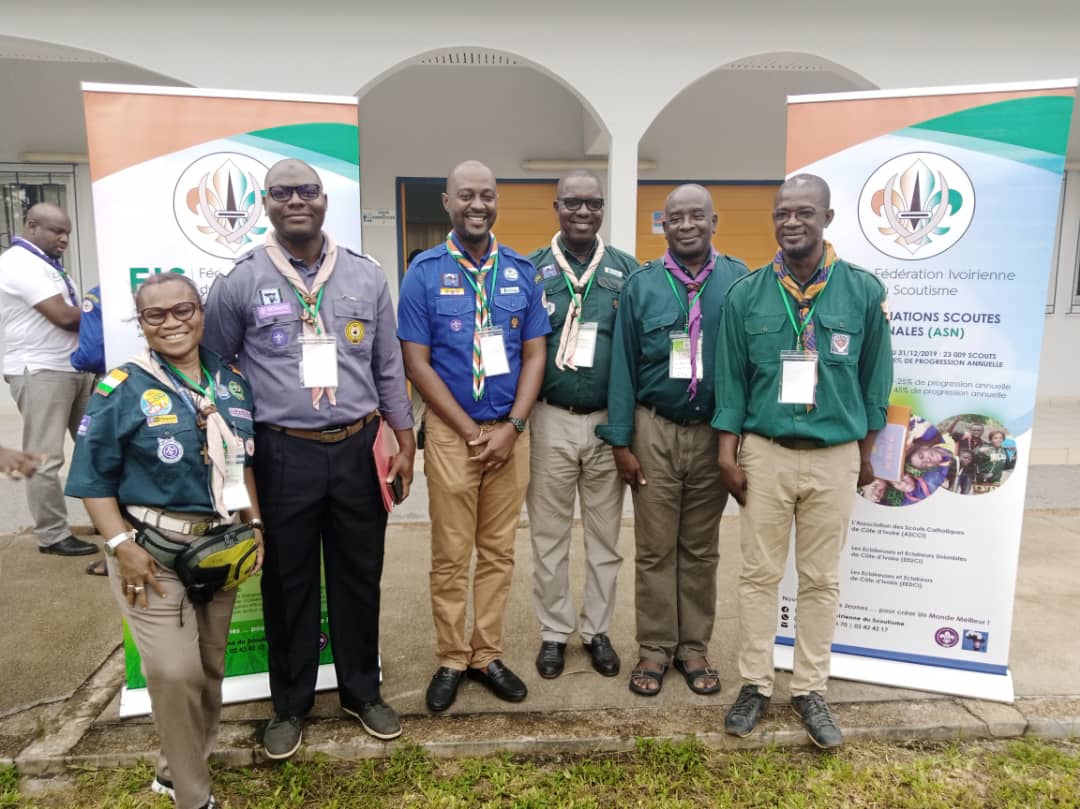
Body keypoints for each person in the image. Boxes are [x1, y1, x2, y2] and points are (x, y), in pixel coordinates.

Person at [203, 159, 415, 758]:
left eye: (307, 191)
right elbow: (217, 371)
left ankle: (361, 692)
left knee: (358, 575)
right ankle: (290, 704)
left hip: (357, 447)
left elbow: (388, 366)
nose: (296, 201)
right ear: (265, 204)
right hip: (282, 452)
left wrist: (406, 440)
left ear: (324, 201)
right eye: (282, 193)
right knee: (287, 580)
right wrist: (233, 457)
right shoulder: (239, 281)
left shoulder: (366, 275)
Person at [66, 272, 264, 809]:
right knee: (174, 672)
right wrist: (120, 546)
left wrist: (255, 526)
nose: (172, 322)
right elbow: (92, 479)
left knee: (209, 670)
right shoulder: (121, 388)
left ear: (200, 312)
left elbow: (241, 464)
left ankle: (173, 769)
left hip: (220, 546)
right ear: (141, 322)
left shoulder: (230, 381)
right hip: (149, 552)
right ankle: (193, 797)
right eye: (156, 314)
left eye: (184, 310)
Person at [714, 174, 893, 748]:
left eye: (804, 212)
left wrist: (864, 455)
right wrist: (727, 454)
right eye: (783, 213)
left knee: (820, 580)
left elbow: (876, 383)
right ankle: (755, 684)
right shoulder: (746, 294)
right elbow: (731, 383)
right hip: (764, 454)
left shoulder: (861, 291)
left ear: (827, 218)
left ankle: (810, 689)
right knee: (758, 576)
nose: (792, 222)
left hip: (834, 456)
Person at [397, 160, 549, 712]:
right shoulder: (423, 272)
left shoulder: (521, 270)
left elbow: (535, 354)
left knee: (498, 551)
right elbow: (416, 362)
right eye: (466, 195)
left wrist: (513, 427)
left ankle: (486, 653)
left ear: (497, 201)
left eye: (486, 194)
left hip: (510, 434)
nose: (477, 205)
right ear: (447, 202)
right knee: (450, 552)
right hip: (450, 435)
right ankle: (451, 656)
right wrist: (467, 431)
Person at [597, 184, 747, 698]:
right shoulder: (642, 285)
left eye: (696, 216)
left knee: (701, 549)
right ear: (663, 225)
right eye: (675, 218)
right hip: (654, 429)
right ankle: (656, 648)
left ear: (714, 222)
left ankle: (694, 648)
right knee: (655, 548)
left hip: (713, 434)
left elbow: (748, 366)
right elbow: (622, 367)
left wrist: (737, 440)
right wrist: (621, 442)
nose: (686, 225)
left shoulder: (738, 281)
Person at [524, 170, 637, 680]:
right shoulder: (530, 271)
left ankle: (597, 631)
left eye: (593, 203)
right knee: (548, 536)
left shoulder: (626, 272)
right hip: (549, 419)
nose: (584, 212)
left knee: (604, 537)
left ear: (602, 209)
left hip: (606, 424)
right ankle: (554, 631)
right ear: (557, 207)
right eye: (573, 203)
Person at [0, 203, 97, 556]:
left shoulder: (49, 266)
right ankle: (52, 535)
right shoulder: (18, 263)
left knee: (97, 448)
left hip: (73, 369)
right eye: (56, 231)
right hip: (41, 371)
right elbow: (64, 317)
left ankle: (106, 521)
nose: (64, 239)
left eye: (67, 232)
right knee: (45, 458)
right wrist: (107, 313)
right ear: (31, 226)